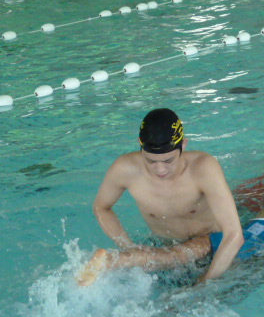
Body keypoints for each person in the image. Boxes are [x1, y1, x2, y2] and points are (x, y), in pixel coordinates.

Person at [76, 161, 264, 286]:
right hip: (238, 253)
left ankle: (113, 260)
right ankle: (160, 310)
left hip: (217, 238)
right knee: (201, 291)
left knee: (169, 256)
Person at [78, 108, 244, 286]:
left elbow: (234, 235)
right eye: (150, 161)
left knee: (177, 263)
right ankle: (122, 259)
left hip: (210, 244)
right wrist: (129, 247)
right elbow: (101, 207)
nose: (160, 169)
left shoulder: (203, 168)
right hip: (163, 248)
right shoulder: (125, 169)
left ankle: (117, 260)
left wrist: (204, 284)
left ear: (184, 145)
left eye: (168, 161)